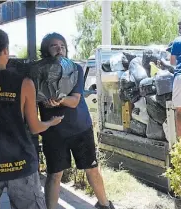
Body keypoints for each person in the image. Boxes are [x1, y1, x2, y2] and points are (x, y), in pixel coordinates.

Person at [37, 33, 115, 209]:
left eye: (62, 46)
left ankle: (105, 205)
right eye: (54, 46)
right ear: (45, 51)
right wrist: (45, 102)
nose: (59, 49)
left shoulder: (75, 69)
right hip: (53, 132)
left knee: (92, 170)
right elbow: (36, 100)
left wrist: (59, 99)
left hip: (81, 129)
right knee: (55, 174)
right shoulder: (38, 73)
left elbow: (74, 101)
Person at [0, 29, 63, 209]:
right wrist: (51, 122)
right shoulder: (24, 83)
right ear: (5, 51)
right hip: (20, 164)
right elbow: (34, 127)